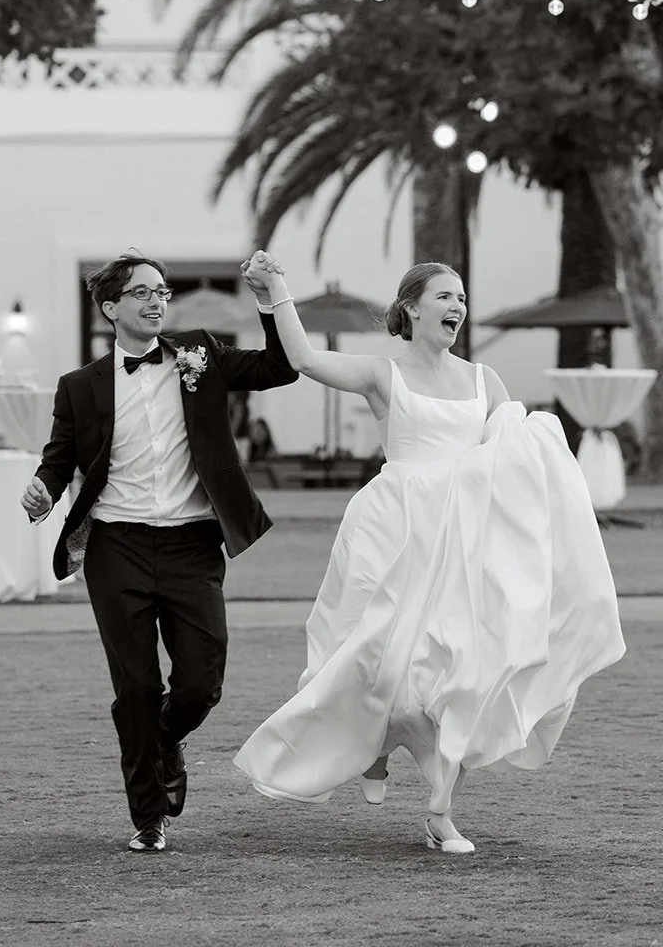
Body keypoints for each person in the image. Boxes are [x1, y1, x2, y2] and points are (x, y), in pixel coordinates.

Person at [233, 253, 625, 856]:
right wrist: (275, 294)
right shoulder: (382, 374)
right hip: (393, 527)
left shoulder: (483, 381)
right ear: (412, 307)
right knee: (379, 660)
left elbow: (512, 457)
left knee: (463, 671)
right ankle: (375, 744)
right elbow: (306, 360)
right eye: (446, 296)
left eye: (463, 298)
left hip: (462, 538)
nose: (458, 308)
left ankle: (440, 810)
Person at [19, 252, 296, 854]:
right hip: (116, 546)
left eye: (161, 291)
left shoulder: (200, 355)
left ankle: (164, 739)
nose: (156, 301)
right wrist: (43, 488)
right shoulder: (79, 386)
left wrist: (271, 298)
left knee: (201, 682)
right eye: (142, 292)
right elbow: (60, 455)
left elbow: (281, 367)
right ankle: (148, 816)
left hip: (193, 544)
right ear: (111, 307)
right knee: (137, 687)